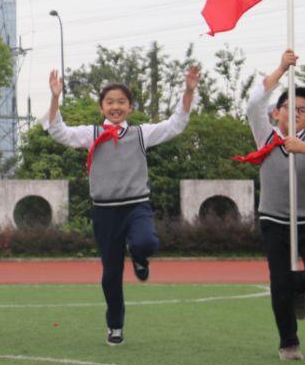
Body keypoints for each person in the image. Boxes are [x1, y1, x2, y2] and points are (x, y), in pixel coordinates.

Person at [44, 65, 200, 346]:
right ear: (102, 107)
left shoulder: (141, 134)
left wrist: (188, 91)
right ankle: (115, 325)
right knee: (111, 273)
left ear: (129, 107)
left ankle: (140, 257)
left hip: (136, 205)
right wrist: (55, 97)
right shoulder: (91, 134)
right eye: (110, 102)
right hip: (104, 211)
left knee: (146, 242)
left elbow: (175, 124)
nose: (115, 107)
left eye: (121, 102)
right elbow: (58, 131)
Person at [234, 50, 305, 361]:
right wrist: (281, 69)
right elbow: (254, 103)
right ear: (277, 113)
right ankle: (289, 343)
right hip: (274, 221)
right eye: (289, 107)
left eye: (303, 109)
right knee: (279, 280)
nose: (296, 112)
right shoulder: (265, 137)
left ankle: (297, 290)